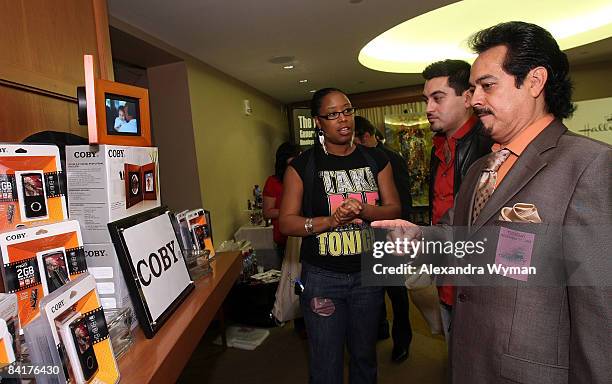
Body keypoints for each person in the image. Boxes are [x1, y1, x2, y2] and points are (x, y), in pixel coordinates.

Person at [373, 21, 611, 384]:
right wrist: (420, 237)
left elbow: (599, 312)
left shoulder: (589, 165)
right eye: (472, 89)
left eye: (487, 86)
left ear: (534, 81)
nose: (476, 100)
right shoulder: (483, 166)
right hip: (469, 359)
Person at [280, 88, 400, 384]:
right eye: (332, 114)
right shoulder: (303, 166)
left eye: (347, 110)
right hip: (322, 279)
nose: (343, 119)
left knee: (364, 357)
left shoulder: (376, 159)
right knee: (325, 363)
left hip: (367, 275)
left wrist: (365, 210)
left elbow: (395, 208)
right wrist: (331, 220)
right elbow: (286, 222)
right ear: (318, 122)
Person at [422, 59, 493, 343]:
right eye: (426, 99)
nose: (428, 108)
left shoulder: (490, 145)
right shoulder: (438, 147)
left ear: (467, 98)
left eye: (438, 98)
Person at [353, 115, 413, 363]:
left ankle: (402, 341)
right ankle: (380, 328)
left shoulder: (389, 158)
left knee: (396, 293)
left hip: (389, 236)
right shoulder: (359, 160)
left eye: (354, 137)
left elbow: (403, 203)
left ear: (366, 136)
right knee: (370, 289)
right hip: (366, 237)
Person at [263, 142, 301, 259]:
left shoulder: (304, 177)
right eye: (296, 157)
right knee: (289, 275)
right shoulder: (273, 182)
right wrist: (290, 212)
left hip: (304, 233)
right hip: (284, 237)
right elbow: (267, 212)